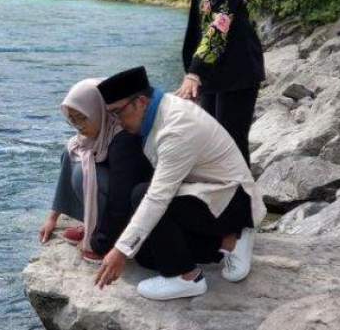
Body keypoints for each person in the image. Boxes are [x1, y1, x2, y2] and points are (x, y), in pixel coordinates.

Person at [93, 66, 266, 300]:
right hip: (206, 193)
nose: (116, 121)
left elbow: (157, 197)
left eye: (118, 112)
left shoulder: (177, 128)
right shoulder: (160, 111)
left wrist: (120, 251)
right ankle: (228, 241)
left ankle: (185, 277)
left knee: (142, 195)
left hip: (231, 200)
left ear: (141, 102)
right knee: (145, 255)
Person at [172, 0, 265, 165]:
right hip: (212, 68)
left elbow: (221, 20)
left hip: (237, 67)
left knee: (230, 147)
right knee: (210, 146)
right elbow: (196, 19)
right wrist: (193, 67)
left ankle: (244, 206)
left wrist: (195, 72)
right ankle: (220, 206)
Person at [38, 78, 152, 262]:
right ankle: (94, 224)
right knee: (72, 150)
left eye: (82, 117)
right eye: (72, 119)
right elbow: (70, 157)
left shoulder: (123, 138)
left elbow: (120, 199)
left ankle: (108, 234)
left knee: (82, 173)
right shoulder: (95, 132)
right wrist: (52, 217)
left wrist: (99, 242)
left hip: (134, 208)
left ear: (98, 109)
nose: (79, 126)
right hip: (120, 199)